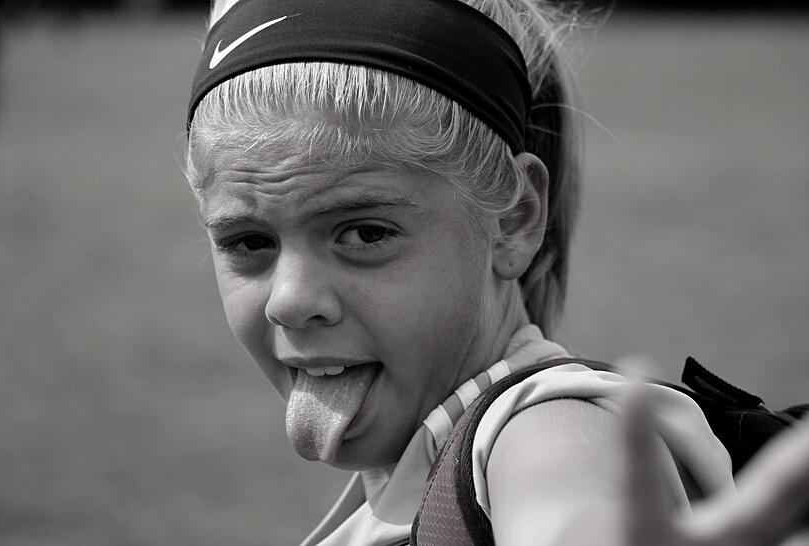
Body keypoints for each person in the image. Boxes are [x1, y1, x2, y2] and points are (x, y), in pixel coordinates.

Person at [183, 0, 809, 544]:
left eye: (366, 233)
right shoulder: (404, 477)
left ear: (513, 220)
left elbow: (565, 507)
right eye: (248, 242)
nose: (290, 301)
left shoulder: (539, 426)